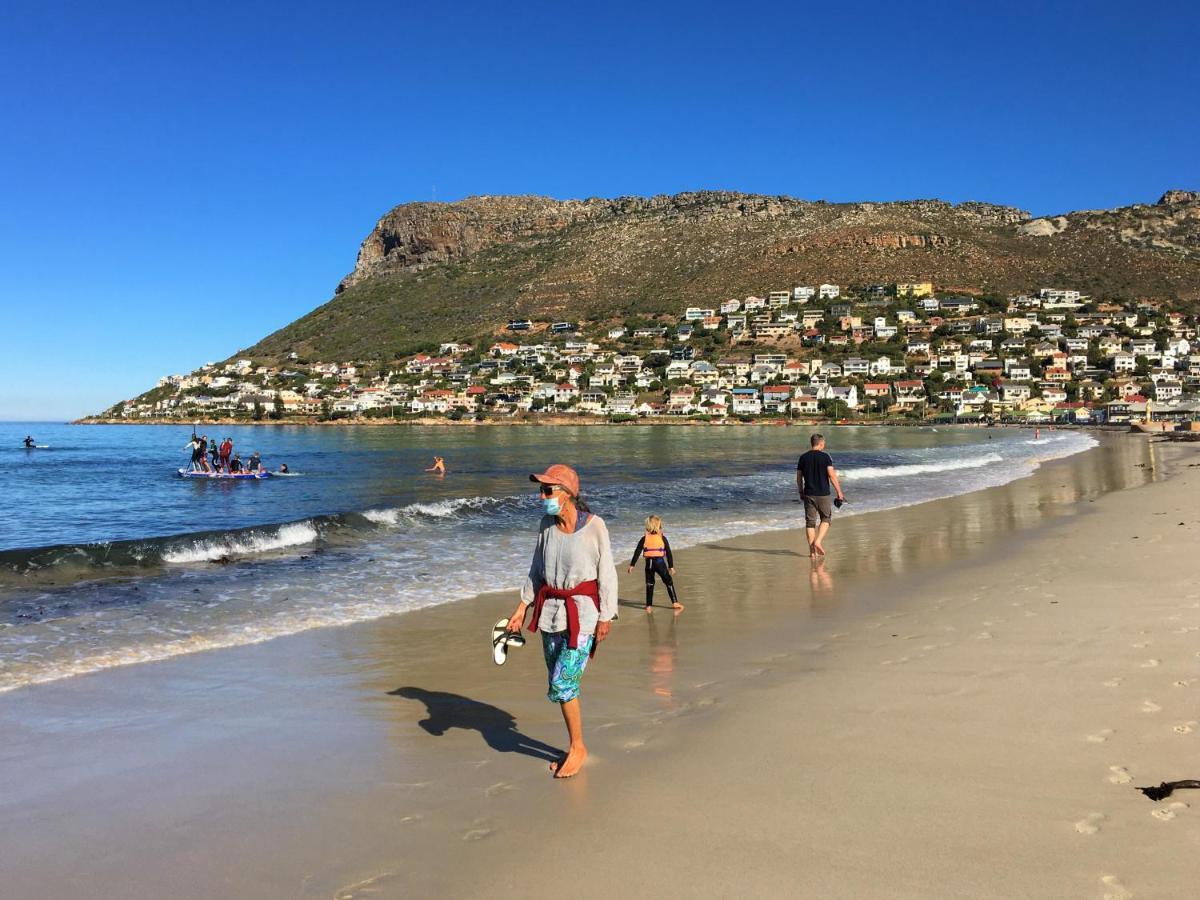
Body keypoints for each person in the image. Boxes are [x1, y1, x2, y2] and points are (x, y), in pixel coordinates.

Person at [504, 464, 617, 779]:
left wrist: (606, 616)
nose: (542, 496)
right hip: (550, 613)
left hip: (583, 615)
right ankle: (574, 745)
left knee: (563, 683)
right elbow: (536, 570)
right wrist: (521, 608)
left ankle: (578, 747)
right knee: (562, 683)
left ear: (567, 494)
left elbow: (607, 573)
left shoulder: (596, 527)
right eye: (541, 490)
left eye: (548, 490)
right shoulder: (545, 526)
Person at [796, 432, 845, 557]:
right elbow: (832, 475)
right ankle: (818, 541)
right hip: (823, 493)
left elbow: (798, 477)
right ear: (821, 444)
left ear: (812, 443)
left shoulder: (803, 457)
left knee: (810, 522)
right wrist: (839, 492)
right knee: (826, 518)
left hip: (808, 493)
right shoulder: (825, 457)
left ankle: (812, 553)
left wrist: (801, 491)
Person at [628, 514, 682, 612]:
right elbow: (668, 552)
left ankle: (648, 606)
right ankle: (675, 602)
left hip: (649, 564)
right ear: (658, 525)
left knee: (650, 583)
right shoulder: (662, 538)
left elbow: (638, 551)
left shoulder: (644, 538)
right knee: (668, 581)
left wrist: (632, 564)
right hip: (660, 563)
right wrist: (671, 566)